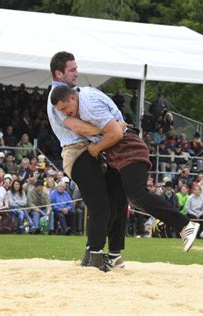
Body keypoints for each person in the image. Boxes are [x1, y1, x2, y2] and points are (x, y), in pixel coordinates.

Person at [51, 85, 199, 249]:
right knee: (116, 203)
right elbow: (101, 128)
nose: (64, 112)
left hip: (129, 150)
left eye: (64, 108)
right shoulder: (84, 99)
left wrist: (95, 149)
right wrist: (111, 128)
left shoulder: (87, 106)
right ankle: (114, 255)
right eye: (60, 110)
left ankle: (185, 225)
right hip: (116, 156)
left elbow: (116, 134)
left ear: (72, 98)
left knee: (137, 195)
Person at [47, 51, 127, 271]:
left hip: (92, 149)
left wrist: (109, 129)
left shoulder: (77, 94)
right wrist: (109, 128)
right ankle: (94, 257)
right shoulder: (59, 97)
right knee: (101, 203)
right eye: (72, 70)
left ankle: (99, 254)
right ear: (59, 73)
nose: (76, 73)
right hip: (77, 152)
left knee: (113, 201)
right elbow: (78, 127)